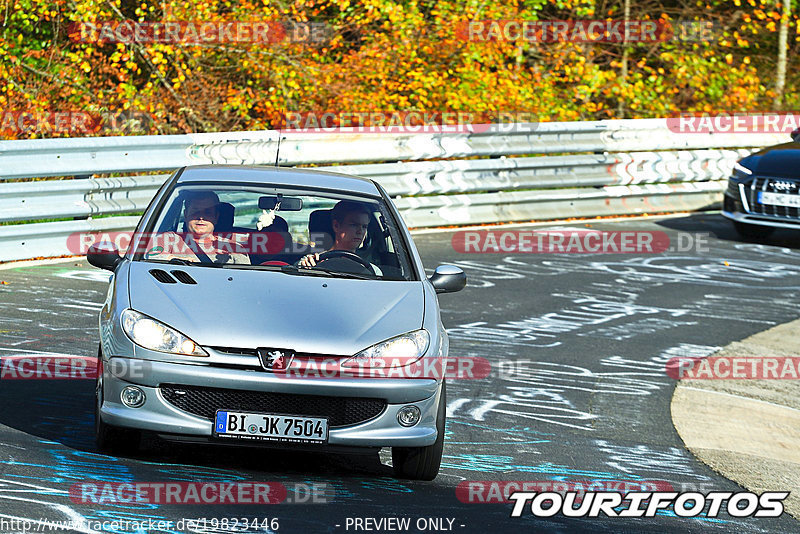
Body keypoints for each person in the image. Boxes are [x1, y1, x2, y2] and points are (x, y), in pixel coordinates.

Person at [147, 191, 250, 265]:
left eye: (207, 212)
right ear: (186, 214)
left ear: (216, 217)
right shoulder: (169, 239)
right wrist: (178, 261)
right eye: (196, 211)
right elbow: (151, 256)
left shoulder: (234, 247)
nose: (201, 217)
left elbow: (245, 280)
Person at [298, 200, 381, 275]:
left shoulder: (373, 271)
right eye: (353, 225)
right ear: (336, 226)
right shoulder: (311, 262)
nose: (360, 231)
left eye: (364, 227)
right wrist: (304, 267)